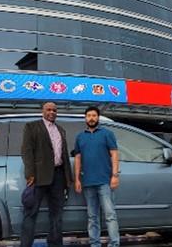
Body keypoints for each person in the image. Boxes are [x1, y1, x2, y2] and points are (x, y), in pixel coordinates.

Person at [20, 102, 72, 247]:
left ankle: (55, 244)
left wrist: (68, 178)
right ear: (42, 111)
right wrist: (30, 174)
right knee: (31, 213)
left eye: (54, 110)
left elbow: (64, 155)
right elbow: (26, 151)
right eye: (48, 109)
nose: (52, 112)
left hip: (58, 176)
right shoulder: (32, 126)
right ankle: (25, 244)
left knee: (57, 215)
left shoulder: (60, 130)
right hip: (38, 177)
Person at [74, 106, 120, 247]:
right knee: (92, 217)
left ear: (98, 117)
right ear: (85, 118)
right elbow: (77, 158)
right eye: (89, 115)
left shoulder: (107, 134)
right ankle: (95, 244)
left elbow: (114, 154)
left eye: (94, 115)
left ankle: (114, 243)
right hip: (87, 183)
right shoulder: (80, 137)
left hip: (105, 181)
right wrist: (76, 179)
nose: (91, 118)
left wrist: (115, 175)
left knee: (110, 216)